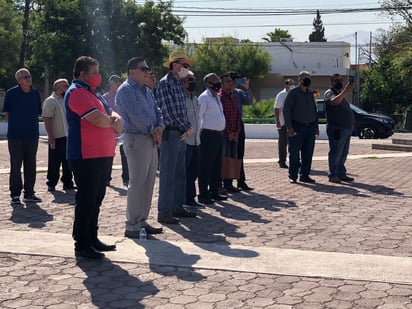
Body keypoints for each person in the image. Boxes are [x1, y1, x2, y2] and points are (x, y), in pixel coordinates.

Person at [65, 56, 122, 259]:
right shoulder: (76, 93)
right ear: (82, 74)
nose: (98, 76)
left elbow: (112, 113)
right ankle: (82, 244)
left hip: (102, 154)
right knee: (87, 199)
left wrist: (115, 119)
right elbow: (98, 119)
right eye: (94, 73)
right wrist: (113, 122)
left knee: (96, 199)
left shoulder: (94, 94)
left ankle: (92, 237)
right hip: (85, 155)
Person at [115, 57, 164, 238]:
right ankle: (132, 225)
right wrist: (154, 131)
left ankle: (142, 220)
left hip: (150, 138)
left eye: (147, 68)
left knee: (148, 182)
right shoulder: (126, 90)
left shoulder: (147, 91)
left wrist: (160, 127)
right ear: (132, 71)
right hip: (137, 138)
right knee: (137, 183)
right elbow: (136, 116)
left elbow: (157, 111)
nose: (147, 72)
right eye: (144, 68)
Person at [155, 50, 196, 225]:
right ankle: (164, 211)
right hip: (171, 133)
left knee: (180, 173)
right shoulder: (165, 84)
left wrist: (186, 129)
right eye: (184, 65)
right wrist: (186, 128)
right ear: (175, 65)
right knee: (168, 175)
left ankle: (177, 206)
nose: (186, 69)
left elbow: (181, 111)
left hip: (180, 133)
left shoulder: (178, 84)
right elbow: (168, 112)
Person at [2, 68, 42, 204]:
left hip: (32, 135)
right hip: (16, 136)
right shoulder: (11, 93)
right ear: (19, 80)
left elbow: (37, 112)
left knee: (31, 165)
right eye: (25, 77)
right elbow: (7, 112)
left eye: (29, 76)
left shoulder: (35, 93)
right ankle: (15, 194)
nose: (29, 79)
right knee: (16, 165)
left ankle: (29, 193)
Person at [283, 71, 319, 184]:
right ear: (299, 80)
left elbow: (314, 110)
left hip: (310, 127)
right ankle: (293, 176)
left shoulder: (310, 93)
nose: (307, 80)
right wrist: (289, 127)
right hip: (297, 126)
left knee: (308, 153)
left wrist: (316, 126)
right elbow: (286, 110)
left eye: (309, 78)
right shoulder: (293, 93)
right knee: (294, 153)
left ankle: (305, 175)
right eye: (305, 78)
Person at [198, 73, 227, 204]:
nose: (218, 82)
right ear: (209, 83)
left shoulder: (217, 97)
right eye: (215, 80)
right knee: (206, 166)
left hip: (218, 135)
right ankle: (203, 194)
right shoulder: (204, 97)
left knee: (216, 165)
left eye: (218, 79)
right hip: (208, 135)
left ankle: (214, 191)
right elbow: (199, 117)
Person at [42, 78, 75, 192]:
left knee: (68, 161)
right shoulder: (51, 101)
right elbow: (47, 119)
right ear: (59, 88)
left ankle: (68, 182)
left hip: (68, 136)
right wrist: (50, 136)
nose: (68, 87)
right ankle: (51, 183)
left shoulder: (66, 99)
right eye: (66, 86)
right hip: (57, 137)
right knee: (54, 161)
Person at [324, 73, 355, 183]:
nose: (339, 82)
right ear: (331, 82)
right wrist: (345, 91)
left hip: (346, 129)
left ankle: (341, 173)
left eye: (341, 80)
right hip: (337, 129)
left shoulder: (340, 94)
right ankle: (332, 174)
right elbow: (333, 102)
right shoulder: (329, 93)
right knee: (336, 152)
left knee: (343, 153)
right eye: (336, 80)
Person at [181, 71, 204, 208]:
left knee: (194, 171)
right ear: (182, 82)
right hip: (186, 140)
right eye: (190, 80)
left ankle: (191, 199)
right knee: (185, 172)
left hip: (196, 140)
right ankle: (184, 199)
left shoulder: (195, 99)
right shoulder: (181, 99)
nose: (193, 82)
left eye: (194, 79)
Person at [103, 75, 129, 187]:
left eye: (118, 84)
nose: (116, 86)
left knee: (125, 153)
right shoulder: (105, 97)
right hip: (110, 129)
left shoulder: (125, 96)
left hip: (123, 129)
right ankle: (106, 177)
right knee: (109, 154)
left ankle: (126, 177)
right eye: (113, 84)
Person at [230, 72, 254, 191]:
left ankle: (241, 180)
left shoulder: (239, 93)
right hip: (228, 126)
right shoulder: (222, 94)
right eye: (234, 80)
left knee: (240, 153)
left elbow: (249, 101)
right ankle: (227, 182)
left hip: (239, 124)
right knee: (228, 154)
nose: (235, 83)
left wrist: (247, 87)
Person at [220, 73, 242, 193]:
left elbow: (238, 115)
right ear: (222, 84)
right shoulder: (220, 98)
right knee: (222, 159)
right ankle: (219, 184)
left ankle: (229, 183)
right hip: (224, 134)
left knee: (232, 157)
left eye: (231, 81)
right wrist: (228, 132)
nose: (231, 83)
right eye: (227, 81)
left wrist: (236, 131)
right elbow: (222, 117)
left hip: (234, 134)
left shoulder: (233, 97)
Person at [274, 78, 295, 169]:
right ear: (285, 85)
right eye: (289, 83)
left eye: (292, 83)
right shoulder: (281, 95)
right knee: (283, 143)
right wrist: (278, 122)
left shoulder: (294, 94)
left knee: (294, 143)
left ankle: (295, 161)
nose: (290, 85)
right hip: (283, 122)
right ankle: (282, 161)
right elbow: (277, 108)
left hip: (293, 122)